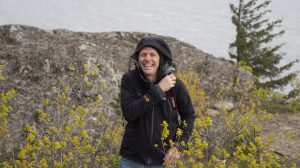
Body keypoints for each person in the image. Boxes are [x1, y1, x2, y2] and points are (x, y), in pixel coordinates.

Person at [119, 37, 195, 167]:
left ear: (161, 59)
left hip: (163, 161)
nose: (147, 59)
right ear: (138, 59)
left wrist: (178, 146)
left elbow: (189, 116)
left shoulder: (175, 85)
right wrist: (159, 90)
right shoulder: (129, 80)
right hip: (132, 160)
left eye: (152, 55)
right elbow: (129, 113)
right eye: (143, 55)